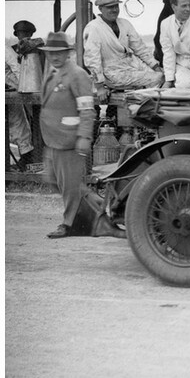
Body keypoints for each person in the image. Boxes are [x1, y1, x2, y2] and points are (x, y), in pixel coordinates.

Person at [39, 32, 124, 239]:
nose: (55, 57)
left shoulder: (77, 74)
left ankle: (68, 225)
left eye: (59, 52)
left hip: (70, 140)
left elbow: (87, 109)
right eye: (51, 53)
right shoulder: (50, 72)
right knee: (55, 181)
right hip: (52, 139)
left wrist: (84, 137)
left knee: (70, 186)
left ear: (67, 52)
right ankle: (100, 218)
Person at [83, 0, 164, 102]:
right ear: (101, 9)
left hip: (130, 65)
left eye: (116, 6)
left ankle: (146, 104)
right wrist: (99, 87)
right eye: (109, 7)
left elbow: (140, 48)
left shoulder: (124, 23)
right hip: (111, 72)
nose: (114, 10)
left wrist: (156, 67)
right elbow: (92, 59)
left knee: (165, 75)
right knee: (157, 79)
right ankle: (143, 109)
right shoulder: (94, 27)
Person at [5, 20, 44, 169]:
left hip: (21, 91)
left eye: (27, 34)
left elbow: (19, 71)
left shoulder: (37, 47)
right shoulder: (14, 49)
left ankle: (28, 156)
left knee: (20, 124)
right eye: (21, 34)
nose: (24, 37)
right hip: (16, 91)